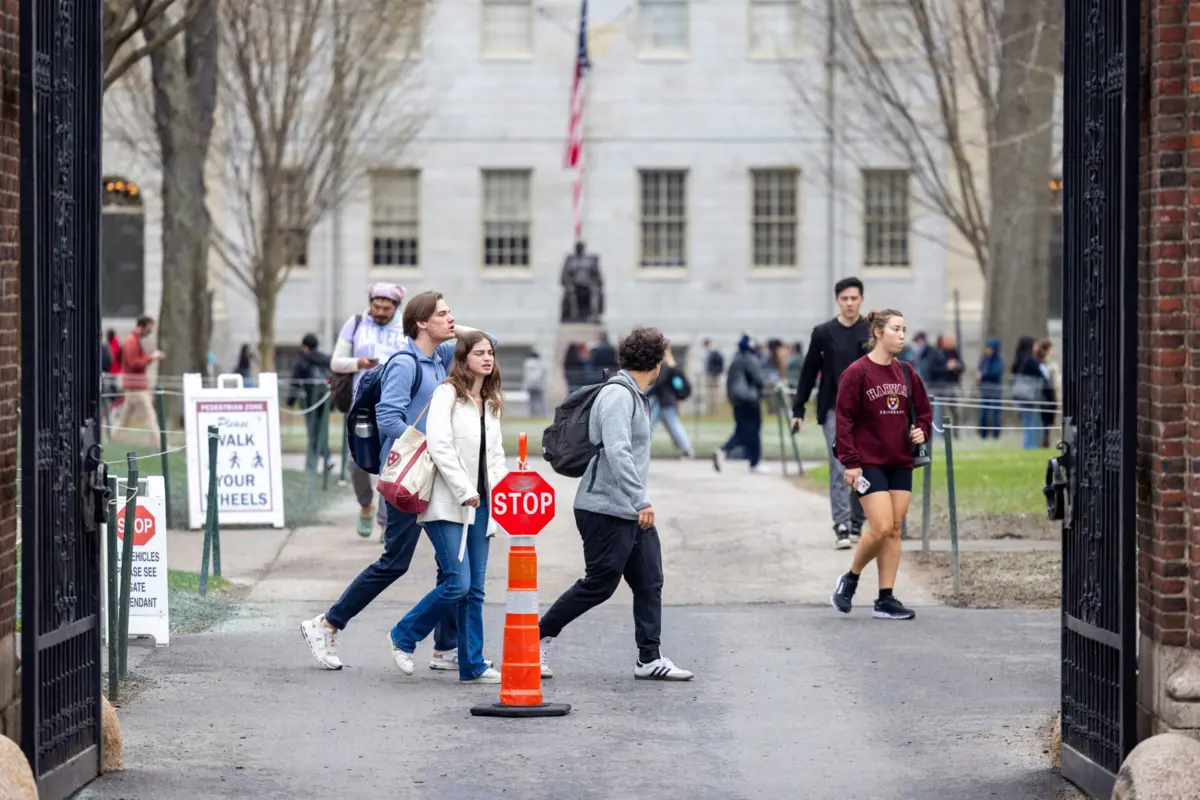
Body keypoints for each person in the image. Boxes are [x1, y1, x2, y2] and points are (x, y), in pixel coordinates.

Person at [300, 291, 495, 671]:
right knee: (395, 562)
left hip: (437, 477)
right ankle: (325, 624)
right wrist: (432, 450)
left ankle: (445, 648)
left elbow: (490, 342)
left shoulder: (439, 356)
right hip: (408, 478)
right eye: (442, 314)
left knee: (450, 564)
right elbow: (389, 419)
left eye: (451, 313)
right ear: (421, 322)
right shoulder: (405, 364)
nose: (451, 318)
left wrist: (454, 331)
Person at [538, 327, 694, 682]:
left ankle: (649, 658)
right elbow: (618, 450)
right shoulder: (619, 396)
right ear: (655, 363)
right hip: (604, 507)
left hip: (627, 507)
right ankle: (535, 637)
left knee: (649, 579)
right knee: (600, 583)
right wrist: (641, 499)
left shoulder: (635, 394)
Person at [389, 332, 507, 684]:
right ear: (463, 357)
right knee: (457, 583)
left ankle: (472, 664)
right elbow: (439, 446)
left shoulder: (490, 400)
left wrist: (499, 494)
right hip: (447, 502)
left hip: (483, 505)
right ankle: (403, 635)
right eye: (479, 352)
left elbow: (495, 456)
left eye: (490, 353)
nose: (487, 358)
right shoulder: (447, 394)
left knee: (476, 590)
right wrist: (464, 489)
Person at [830, 309, 932, 621]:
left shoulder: (906, 372)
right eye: (896, 329)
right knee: (881, 526)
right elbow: (843, 421)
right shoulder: (857, 373)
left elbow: (925, 412)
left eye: (904, 329)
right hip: (868, 461)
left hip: (900, 459)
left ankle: (885, 599)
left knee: (895, 529)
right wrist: (850, 462)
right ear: (878, 333)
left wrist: (921, 431)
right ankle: (850, 578)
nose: (902, 335)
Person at [791, 276, 870, 548]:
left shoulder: (871, 331)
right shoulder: (824, 333)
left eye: (854, 298)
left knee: (866, 467)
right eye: (844, 299)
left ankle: (858, 518)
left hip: (867, 410)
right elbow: (809, 372)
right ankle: (842, 524)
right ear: (837, 300)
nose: (849, 303)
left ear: (861, 299)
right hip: (834, 409)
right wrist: (798, 409)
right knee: (840, 466)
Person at [330, 283, 408, 538]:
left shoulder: (406, 328)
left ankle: (386, 523)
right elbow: (336, 362)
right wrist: (359, 363)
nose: (381, 312)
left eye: (387, 308)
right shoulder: (355, 323)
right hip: (361, 406)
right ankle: (366, 505)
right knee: (357, 463)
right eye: (377, 306)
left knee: (390, 464)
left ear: (396, 307)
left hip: (394, 406)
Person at [713, 334, 767, 474]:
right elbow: (758, 378)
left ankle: (723, 451)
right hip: (749, 399)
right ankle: (754, 462)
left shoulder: (735, 358)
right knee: (753, 431)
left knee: (741, 430)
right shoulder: (750, 359)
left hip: (736, 399)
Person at [110, 316, 165, 444]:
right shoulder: (131, 342)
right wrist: (152, 357)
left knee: (124, 419)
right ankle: (159, 444)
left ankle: (113, 439)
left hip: (133, 386)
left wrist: (149, 357)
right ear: (142, 326)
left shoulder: (134, 341)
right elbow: (133, 363)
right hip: (136, 387)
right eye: (149, 328)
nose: (150, 332)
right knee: (150, 416)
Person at [288, 333, 333, 467]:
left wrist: (291, 401)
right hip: (325, 401)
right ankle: (326, 459)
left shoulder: (302, 361)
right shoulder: (326, 360)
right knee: (323, 430)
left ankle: (312, 462)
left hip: (309, 402)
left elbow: (295, 383)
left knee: (313, 432)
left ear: (305, 346)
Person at [646, 346, 693, 458]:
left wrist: (646, 394)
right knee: (655, 425)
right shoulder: (672, 367)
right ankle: (684, 448)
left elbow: (659, 384)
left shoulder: (666, 368)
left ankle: (686, 448)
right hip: (662, 402)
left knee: (670, 425)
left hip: (665, 402)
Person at [1010, 335, 1046, 450]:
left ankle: (1028, 445)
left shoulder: (1018, 360)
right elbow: (1041, 375)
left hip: (1018, 396)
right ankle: (1030, 446)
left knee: (1027, 423)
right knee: (1031, 423)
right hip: (1028, 396)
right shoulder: (1030, 360)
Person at [976, 337, 1004, 439]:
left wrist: (983, 375)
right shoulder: (985, 359)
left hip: (995, 389)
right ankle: (983, 433)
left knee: (995, 412)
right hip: (984, 389)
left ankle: (996, 434)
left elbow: (996, 372)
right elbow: (980, 369)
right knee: (983, 412)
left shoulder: (998, 360)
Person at [522, 349, 548, 417]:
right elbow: (544, 375)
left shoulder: (526, 364)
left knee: (531, 400)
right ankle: (543, 414)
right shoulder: (541, 364)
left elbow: (525, 375)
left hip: (530, 385)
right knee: (541, 400)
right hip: (539, 385)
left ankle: (532, 414)